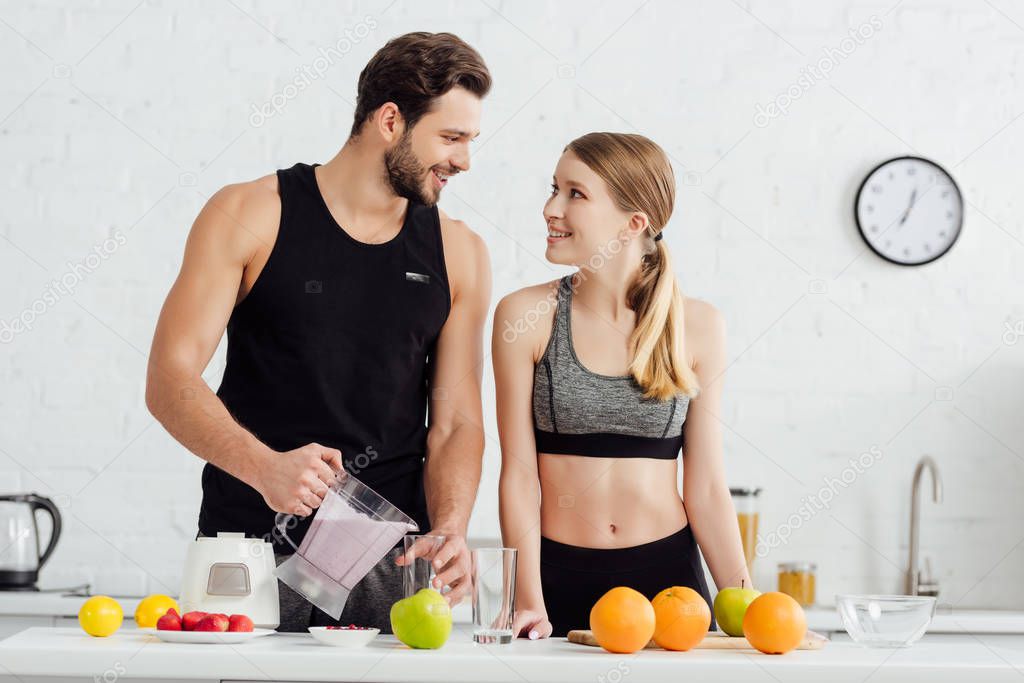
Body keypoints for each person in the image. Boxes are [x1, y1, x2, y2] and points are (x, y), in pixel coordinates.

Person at [145, 32, 492, 632]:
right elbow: (169, 380)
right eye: (452, 137)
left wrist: (452, 527)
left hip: (391, 564)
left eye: (470, 141)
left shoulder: (460, 253)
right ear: (391, 120)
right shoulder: (250, 213)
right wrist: (264, 468)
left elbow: (458, 422)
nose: (464, 160)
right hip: (246, 552)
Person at [492, 132, 751, 638]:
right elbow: (518, 477)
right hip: (555, 580)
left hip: (670, 583)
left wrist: (751, 609)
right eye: (554, 189)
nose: (551, 207)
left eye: (575, 193)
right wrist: (528, 601)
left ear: (634, 223)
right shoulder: (526, 316)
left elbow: (706, 488)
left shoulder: (696, 325)